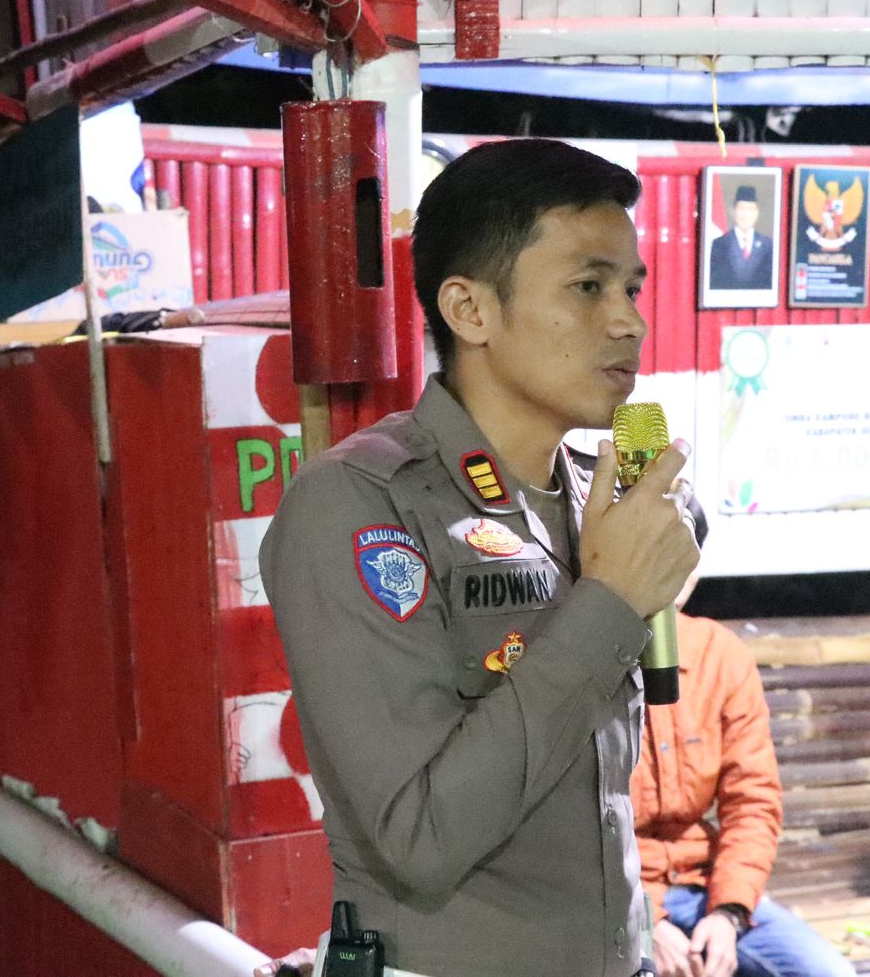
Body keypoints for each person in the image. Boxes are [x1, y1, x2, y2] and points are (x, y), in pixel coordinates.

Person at [261, 138, 701, 977]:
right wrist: (608, 602)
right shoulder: (361, 503)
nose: (630, 321)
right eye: (588, 287)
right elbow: (420, 837)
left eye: (633, 288)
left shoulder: (602, 495)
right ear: (469, 310)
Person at [634, 499, 857, 977]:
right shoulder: (583, 658)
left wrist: (729, 912)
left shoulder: (720, 654)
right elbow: (562, 830)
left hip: (704, 886)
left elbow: (752, 801)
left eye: (682, 558)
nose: (669, 574)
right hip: (613, 901)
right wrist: (639, 921)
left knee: (829, 972)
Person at [707, 185, 774, 291]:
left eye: (750, 209)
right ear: (733, 211)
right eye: (741, 209)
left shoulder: (768, 245)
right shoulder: (720, 244)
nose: (745, 215)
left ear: (757, 213)